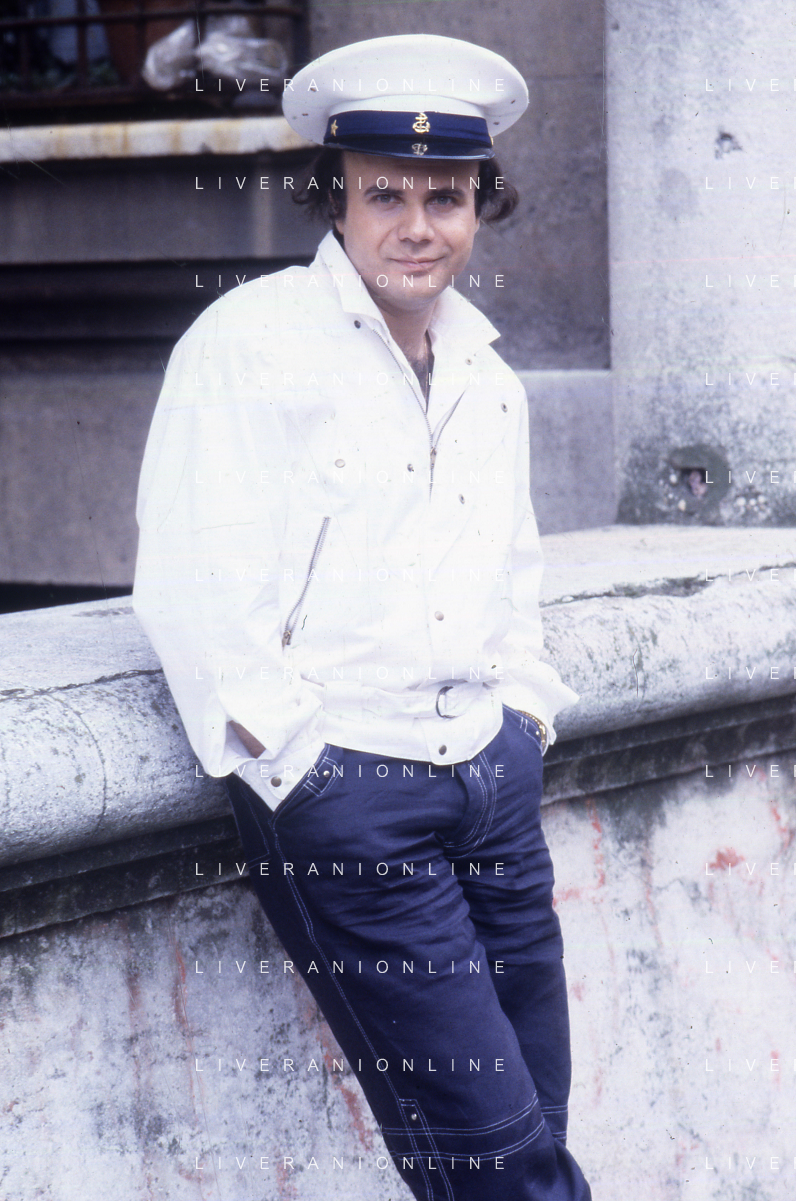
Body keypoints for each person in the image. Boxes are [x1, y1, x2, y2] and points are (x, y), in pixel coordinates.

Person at [133, 33, 591, 1201]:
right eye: (386, 195)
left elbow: (512, 571)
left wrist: (523, 720)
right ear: (334, 197)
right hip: (355, 803)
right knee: (497, 1161)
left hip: (492, 783)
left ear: (480, 204)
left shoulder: (487, 375)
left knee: (535, 1125)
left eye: (446, 197)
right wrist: (306, 775)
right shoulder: (249, 344)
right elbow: (193, 587)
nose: (418, 226)